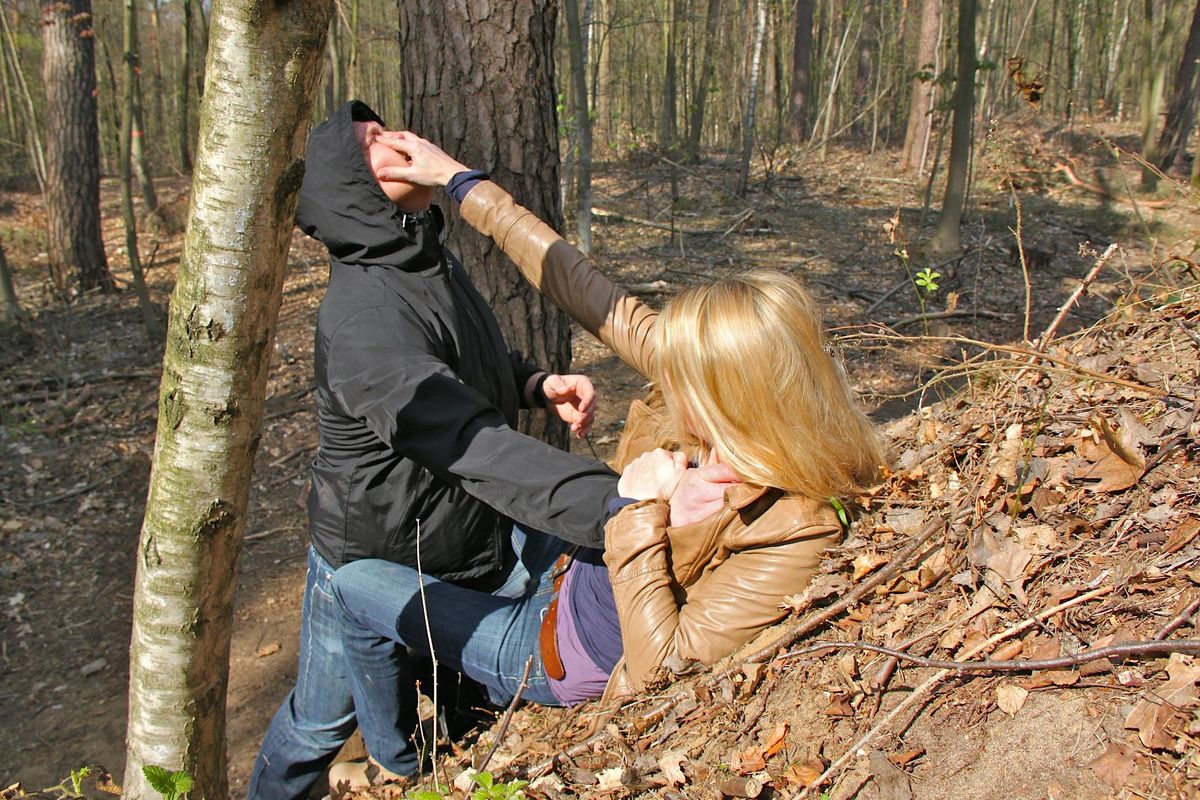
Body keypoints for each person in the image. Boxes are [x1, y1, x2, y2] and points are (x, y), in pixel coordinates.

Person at [326, 132, 884, 782]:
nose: (659, 376)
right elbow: (582, 287)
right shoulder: (725, 397)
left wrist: (641, 510)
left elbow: (662, 666)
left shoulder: (795, 524)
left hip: (562, 649)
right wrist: (458, 181)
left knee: (351, 582)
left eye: (679, 376)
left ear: (730, 393)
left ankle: (395, 767)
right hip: (572, 564)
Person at [248, 101, 631, 800]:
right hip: (369, 556)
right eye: (372, 144)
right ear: (348, 187)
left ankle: (413, 758)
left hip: (452, 535)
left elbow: (460, 367)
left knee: (434, 707)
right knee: (317, 724)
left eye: (391, 127)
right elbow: (467, 442)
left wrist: (535, 383)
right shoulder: (363, 316)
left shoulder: (423, 254)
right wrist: (617, 505)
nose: (397, 142)